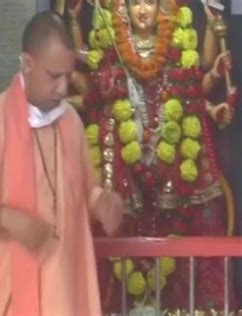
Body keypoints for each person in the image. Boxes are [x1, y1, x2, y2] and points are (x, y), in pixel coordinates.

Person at [60, 0, 238, 312]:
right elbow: (88, 82)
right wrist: (75, 25)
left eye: (150, 2)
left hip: (173, 163)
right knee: (114, 234)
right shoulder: (114, 47)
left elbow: (194, 87)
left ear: (162, 7)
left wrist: (214, 92)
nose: (143, 9)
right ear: (124, 8)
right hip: (125, 165)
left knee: (190, 228)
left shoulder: (175, 47)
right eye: (136, 2)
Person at [0, 11, 124, 316]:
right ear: (28, 64)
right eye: (53, 76)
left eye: (67, 76)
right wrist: (8, 218)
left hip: (62, 294)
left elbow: (85, 192)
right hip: (6, 297)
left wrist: (103, 203)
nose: (62, 89)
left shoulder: (70, 122)